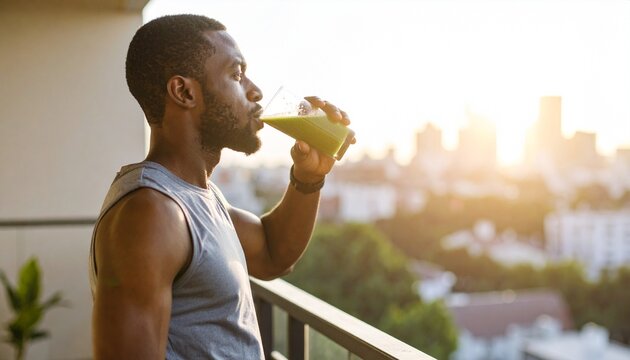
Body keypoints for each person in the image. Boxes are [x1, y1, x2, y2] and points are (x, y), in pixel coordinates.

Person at [89, 14, 353, 359]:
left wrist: (308, 177)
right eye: (236, 74)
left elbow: (273, 253)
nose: (255, 91)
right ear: (184, 92)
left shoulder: (196, 195)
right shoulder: (150, 215)